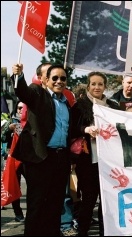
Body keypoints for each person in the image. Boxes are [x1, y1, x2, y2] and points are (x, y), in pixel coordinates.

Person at [11, 64, 72, 236]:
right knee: (37, 204)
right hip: (41, 158)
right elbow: (22, 92)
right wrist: (19, 75)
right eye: (55, 78)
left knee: (55, 204)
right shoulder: (37, 93)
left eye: (63, 78)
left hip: (61, 159)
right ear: (45, 80)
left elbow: (69, 130)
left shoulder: (66, 103)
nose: (59, 81)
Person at [70, 71, 121, 236]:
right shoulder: (80, 105)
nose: (97, 87)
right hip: (88, 162)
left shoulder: (113, 106)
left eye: (100, 84)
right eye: (93, 84)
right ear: (88, 85)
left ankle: (105, 232)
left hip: (110, 162)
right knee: (89, 200)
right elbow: (71, 129)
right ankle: (83, 231)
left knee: (108, 201)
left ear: (105, 86)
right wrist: (85, 129)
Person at [3, 100, 26, 222]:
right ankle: (18, 214)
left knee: (33, 187)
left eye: (23, 107)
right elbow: (2, 137)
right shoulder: (11, 122)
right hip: (13, 161)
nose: (21, 110)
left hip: (28, 160)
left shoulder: (31, 120)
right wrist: (8, 129)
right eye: (19, 108)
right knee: (13, 186)